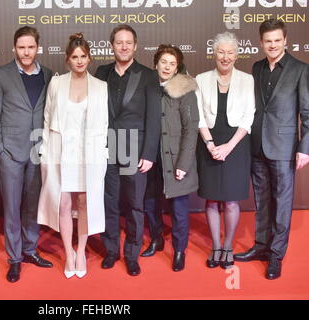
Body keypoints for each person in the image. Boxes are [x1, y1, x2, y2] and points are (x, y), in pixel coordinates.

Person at [234, 19, 309, 280]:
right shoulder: (256, 68)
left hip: (285, 147)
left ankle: (276, 256)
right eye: (268, 41)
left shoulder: (300, 69)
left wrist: (305, 148)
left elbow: (307, 113)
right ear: (261, 42)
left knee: (282, 204)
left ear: (285, 41)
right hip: (257, 146)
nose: (273, 45)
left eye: (278, 40)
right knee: (262, 202)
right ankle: (261, 247)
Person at [37, 33, 108, 279]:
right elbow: (46, 120)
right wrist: (46, 154)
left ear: (89, 58)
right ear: (67, 59)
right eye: (75, 57)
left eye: (83, 57)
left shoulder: (101, 87)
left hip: (89, 155)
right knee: (64, 203)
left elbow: (105, 125)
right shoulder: (56, 83)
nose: (79, 61)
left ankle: (81, 251)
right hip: (61, 153)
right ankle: (68, 251)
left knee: (85, 204)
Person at [0, 26, 53, 283]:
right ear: (14, 48)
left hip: (38, 152)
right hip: (10, 154)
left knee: (32, 207)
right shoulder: (0, 75)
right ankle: (14, 259)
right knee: (12, 208)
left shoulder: (48, 74)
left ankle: (30, 250)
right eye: (22, 47)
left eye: (31, 47)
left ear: (37, 48)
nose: (26, 52)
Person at [95, 24, 161, 276]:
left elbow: (154, 117)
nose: (123, 46)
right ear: (111, 45)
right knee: (108, 203)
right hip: (106, 148)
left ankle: (132, 254)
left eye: (128, 42)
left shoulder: (148, 75)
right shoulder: (101, 73)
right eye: (118, 42)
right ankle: (111, 250)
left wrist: (148, 153)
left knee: (134, 204)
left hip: (136, 149)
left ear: (135, 46)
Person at [195, 32, 255, 269]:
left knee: (230, 202)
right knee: (211, 200)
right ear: (214, 53)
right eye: (221, 51)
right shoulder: (200, 79)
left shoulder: (247, 80)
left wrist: (228, 147)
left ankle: (228, 246)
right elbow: (198, 115)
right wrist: (210, 145)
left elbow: (249, 116)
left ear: (237, 55)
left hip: (236, 145)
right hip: (209, 142)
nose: (226, 57)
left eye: (230, 52)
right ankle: (215, 247)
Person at [141, 45, 199, 272]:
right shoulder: (148, 88)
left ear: (177, 67)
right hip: (152, 157)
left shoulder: (185, 90)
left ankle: (179, 250)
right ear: (156, 64)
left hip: (176, 160)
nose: (166, 67)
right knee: (149, 203)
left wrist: (183, 164)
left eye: (172, 63)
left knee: (179, 209)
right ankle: (156, 239)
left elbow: (191, 129)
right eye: (163, 62)